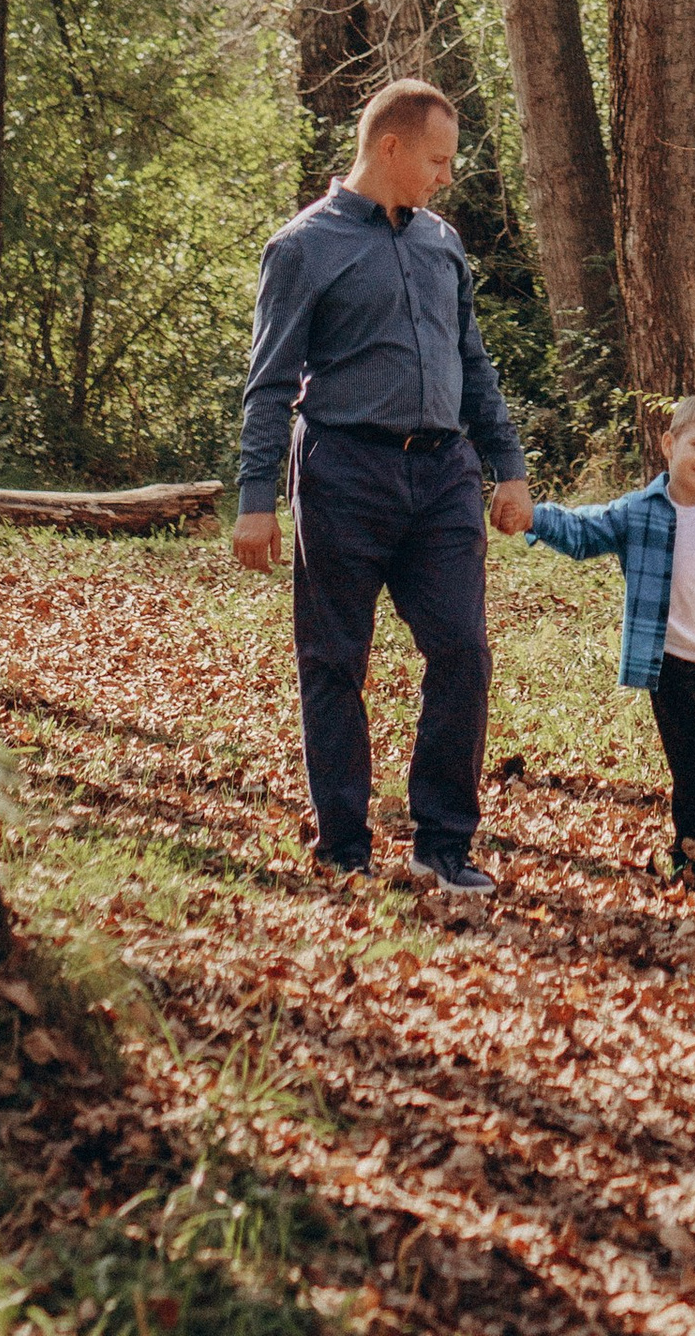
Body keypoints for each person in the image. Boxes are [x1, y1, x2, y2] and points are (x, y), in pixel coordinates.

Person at [232, 79, 533, 898]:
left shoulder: (441, 244)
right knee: (334, 660)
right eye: (436, 160)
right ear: (389, 147)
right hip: (342, 471)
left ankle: (443, 844)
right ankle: (344, 845)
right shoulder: (303, 247)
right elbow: (269, 383)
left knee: (463, 652)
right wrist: (257, 497)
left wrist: (509, 467)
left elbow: (474, 363)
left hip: (442, 477)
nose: (445, 177)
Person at [523, 394, 695, 901]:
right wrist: (534, 518)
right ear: (668, 444)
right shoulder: (639, 512)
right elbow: (583, 532)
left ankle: (685, 854)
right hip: (670, 664)